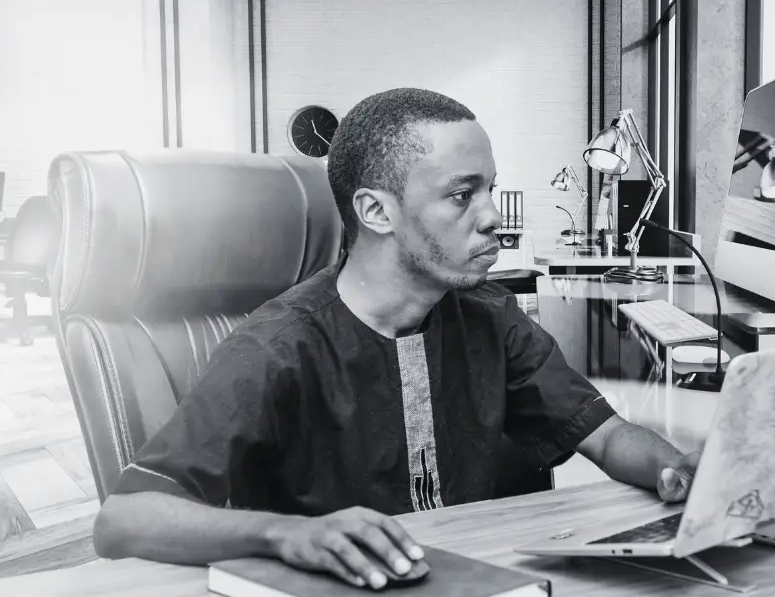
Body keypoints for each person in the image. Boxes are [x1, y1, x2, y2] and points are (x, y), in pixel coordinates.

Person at [92, 88, 700, 590]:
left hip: (479, 576)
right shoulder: (275, 348)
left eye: (490, 189)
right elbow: (124, 518)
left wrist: (676, 467)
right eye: (462, 195)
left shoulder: (490, 315)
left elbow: (606, 435)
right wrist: (285, 534)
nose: (493, 216)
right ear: (376, 212)